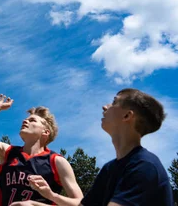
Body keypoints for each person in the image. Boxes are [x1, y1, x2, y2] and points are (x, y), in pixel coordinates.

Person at [25, 88, 174, 206]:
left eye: (114, 102)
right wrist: (48, 196)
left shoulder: (144, 167)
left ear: (127, 116)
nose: (104, 107)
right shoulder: (110, 169)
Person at [0, 94, 83, 205]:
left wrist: (42, 200)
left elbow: (80, 203)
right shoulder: (8, 153)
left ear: (45, 132)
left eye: (32, 120)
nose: (25, 121)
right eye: (26, 119)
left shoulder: (56, 161)